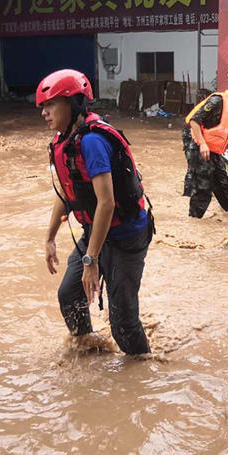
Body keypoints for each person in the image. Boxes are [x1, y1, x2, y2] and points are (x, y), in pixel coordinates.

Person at [39, 69, 152, 355]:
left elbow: (107, 203)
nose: (45, 113)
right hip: (98, 232)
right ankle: (90, 349)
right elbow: (66, 193)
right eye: (43, 107)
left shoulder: (91, 141)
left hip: (126, 235)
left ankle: (143, 368)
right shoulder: (64, 142)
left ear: (74, 103)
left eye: (51, 104)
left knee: (123, 323)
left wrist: (91, 260)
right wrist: (50, 238)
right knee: (69, 294)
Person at [182, 69, 228, 218]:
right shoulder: (218, 101)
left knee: (224, 187)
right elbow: (194, 121)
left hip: (214, 150)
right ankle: (193, 222)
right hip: (198, 145)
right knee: (204, 190)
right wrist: (202, 144)